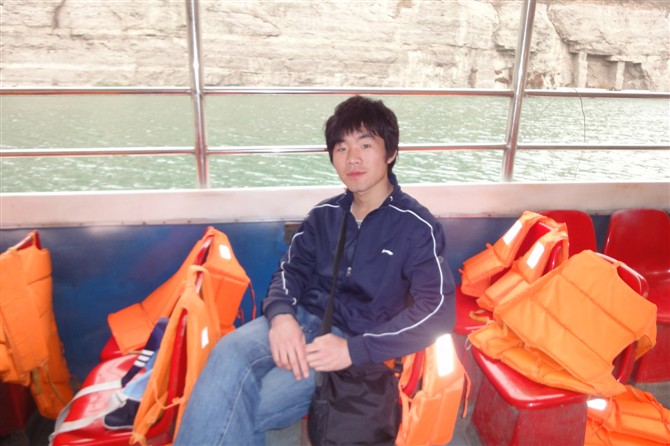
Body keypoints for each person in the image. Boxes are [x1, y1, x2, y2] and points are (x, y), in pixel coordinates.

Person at [175, 95, 455, 445]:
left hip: (349, 342)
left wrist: (352, 351)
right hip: (300, 319)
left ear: (391, 153)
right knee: (227, 354)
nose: (352, 158)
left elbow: (437, 312)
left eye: (365, 145)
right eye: (341, 148)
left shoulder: (416, 227)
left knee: (241, 405)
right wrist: (281, 317)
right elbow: (290, 271)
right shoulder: (324, 215)